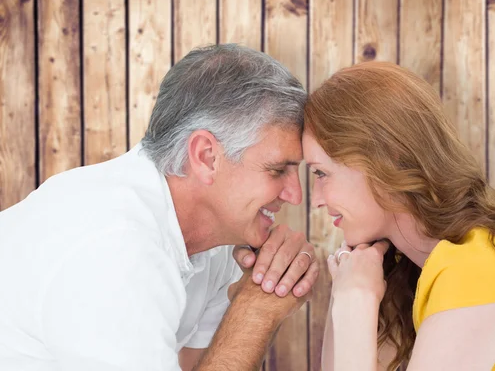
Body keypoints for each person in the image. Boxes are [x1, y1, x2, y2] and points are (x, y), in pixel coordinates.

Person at [0, 44, 319, 371]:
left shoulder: (216, 243)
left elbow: (203, 364)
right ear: (206, 157)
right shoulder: (116, 250)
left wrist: (256, 296)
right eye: (278, 170)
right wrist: (256, 308)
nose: (296, 195)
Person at [303, 61, 495, 370]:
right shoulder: (412, 268)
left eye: (321, 174)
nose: (316, 200)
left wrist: (354, 302)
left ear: (386, 159)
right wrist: (347, 293)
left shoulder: (477, 267)